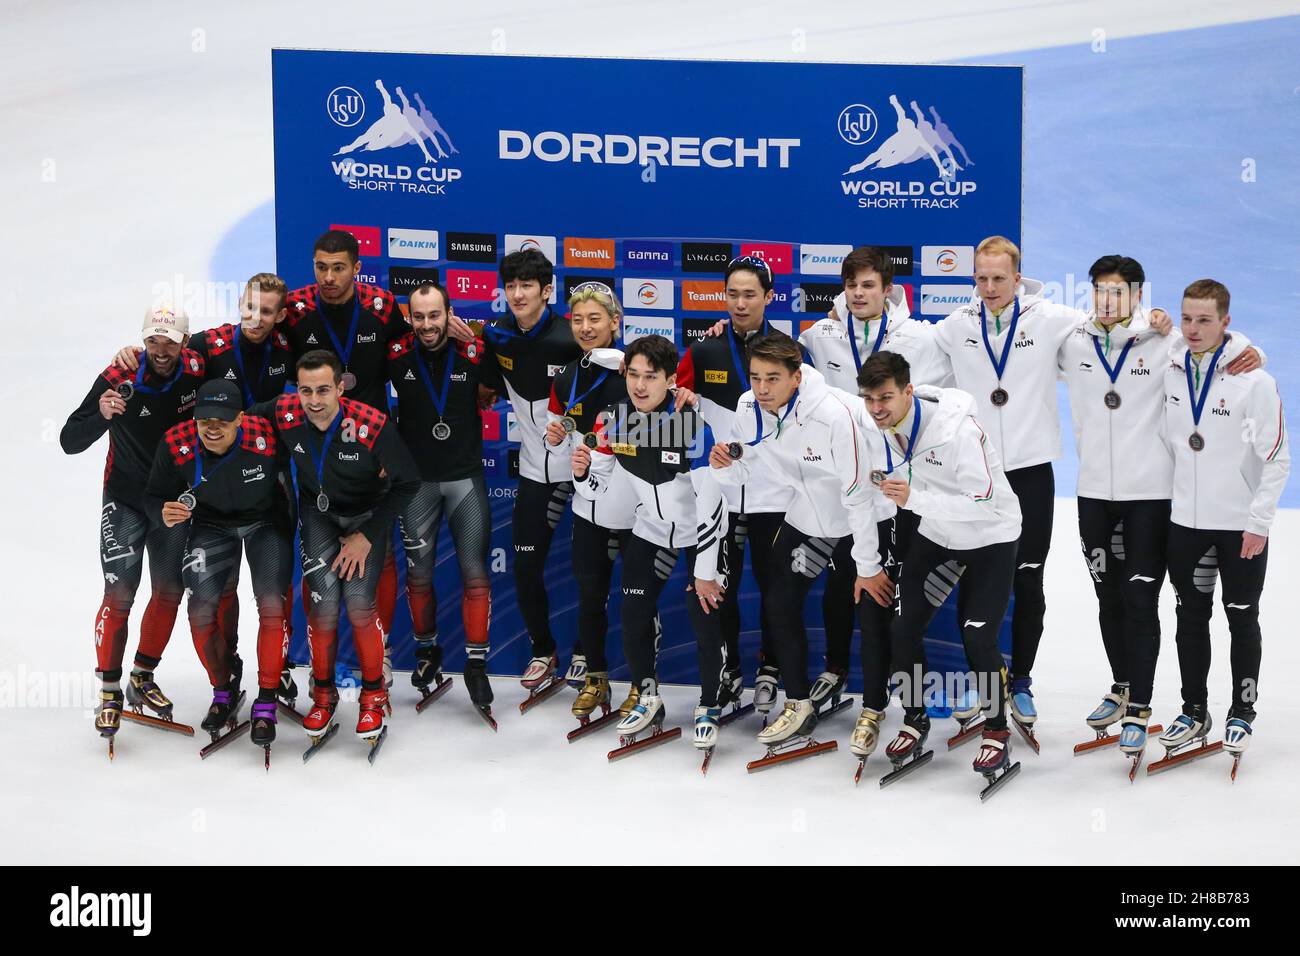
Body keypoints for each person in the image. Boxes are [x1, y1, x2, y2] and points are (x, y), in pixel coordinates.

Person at [1059, 256, 1263, 757]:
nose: (1108, 302)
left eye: (1118, 292)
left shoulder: (1167, 340)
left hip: (1150, 497)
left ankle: (1141, 709)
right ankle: (1122, 684)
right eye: (1099, 292)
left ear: (1136, 294)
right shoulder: (1071, 339)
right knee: (1107, 596)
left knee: (1141, 598)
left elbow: (1215, 347)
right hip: (1092, 496)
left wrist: (1248, 349)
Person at [112, 273, 299, 700]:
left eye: (267, 311)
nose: (256, 317)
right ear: (239, 304)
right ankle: (228, 662)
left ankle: (281, 665)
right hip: (215, 464)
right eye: (250, 307)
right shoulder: (210, 345)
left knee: (275, 585)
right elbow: (163, 355)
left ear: (280, 315)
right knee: (224, 584)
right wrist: (131, 354)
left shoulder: (288, 348)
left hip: (267, 465)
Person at [709, 334, 890, 753]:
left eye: (773, 379)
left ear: (796, 377)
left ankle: (875, 708)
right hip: (807, 516)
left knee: (870, 604)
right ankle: (798, 702)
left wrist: (867, 564)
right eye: (755, 377)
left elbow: (858, 495)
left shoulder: (835, 414)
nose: (762, 388)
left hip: (860, 515)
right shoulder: (748, 406)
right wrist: (723, 467)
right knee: (780, 602)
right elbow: (744, 471)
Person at [860, 351, 1024, 785]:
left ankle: (996, 727)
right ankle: (915, 717)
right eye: (870, 399)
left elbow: (982, 500)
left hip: (990, 534)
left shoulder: (957, 433)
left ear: (908, 391)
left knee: (978, 636)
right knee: (903, 627)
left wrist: (914, 499)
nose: (877, 409)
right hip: (938, 535)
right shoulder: (881, 425)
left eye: (886, 398)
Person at [248, 351, 420, 747]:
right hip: (319, 515)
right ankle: (323, 695)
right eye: (306, 390)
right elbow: (243, 420)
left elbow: (408, 483)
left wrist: (368, 535)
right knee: (322, 605)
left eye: (324, 390)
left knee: (360, 605)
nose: (314, 401)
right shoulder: (286, 410)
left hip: (365, 518)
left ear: (340, 388)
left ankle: (373, 694)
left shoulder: (371, 424)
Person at [571, 335, 730, 752]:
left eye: (652, 377)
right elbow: (595, 488)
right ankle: (648, 695)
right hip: (652, 529)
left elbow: (712, 503)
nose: (640, 386)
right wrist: (581, 473)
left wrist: (706, 572)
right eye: (634, 375)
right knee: (634, 610)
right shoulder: (613, 419)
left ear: (671, 379)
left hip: (701, 530)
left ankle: (709, 704)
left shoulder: (691, 420)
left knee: (704, 615)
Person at [61, 305, 207, 742]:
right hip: (124, 502)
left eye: (170, 342)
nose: (161, 351)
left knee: (168, 590)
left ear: (185, 342)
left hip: (170, 505)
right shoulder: (118, 375)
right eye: (152, 342)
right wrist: (101, 414)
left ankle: (142, 676)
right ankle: (109, 692)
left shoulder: (199, 368)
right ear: (142, 341)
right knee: (119, 593)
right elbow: (69, 440)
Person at [1157, 279, 1287, 767]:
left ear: (1226, 323)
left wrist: (1258, 522)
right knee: (1190, 617)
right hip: (1186, 523)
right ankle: (1194, 710)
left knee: (1241, 617)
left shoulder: (1254, 380)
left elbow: (1276, 459)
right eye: (1187, 318)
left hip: (1238, 526)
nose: (1192, 329)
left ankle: (1243, 709)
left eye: (1205, 320)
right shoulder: (1171, 364)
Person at [144, 380, 292, 748]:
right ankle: (223, 687)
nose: (212, 428)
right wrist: (161, 511)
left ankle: (268, 698)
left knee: (272, 606)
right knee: (199, 611)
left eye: (222, 421)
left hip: (266, 522)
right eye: (204, 419)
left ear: (241, 419)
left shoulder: (266, 437)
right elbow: (152, 494)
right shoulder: (176, 443)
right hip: (212, 526)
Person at [675, 255, 791, 715]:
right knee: (720, 584)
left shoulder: (787, 348)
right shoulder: (705, 350)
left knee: (773, 586)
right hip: (722, 492)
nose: (740, 303)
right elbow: (673, 403)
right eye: (732, 294)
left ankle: (771, 668)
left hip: (772, 493)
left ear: (768, 296)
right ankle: (730, 671)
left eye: (750, 294)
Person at [477, 248, 585, 694]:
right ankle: (544, 651)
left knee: (589, 569)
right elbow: (484, 389)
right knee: (525, 566)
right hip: (535, 473)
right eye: (512, 286)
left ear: (547, 290)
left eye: (528, 286)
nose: (518, 294)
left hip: (585, 472)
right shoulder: (497, 335)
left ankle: (587, 656)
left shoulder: (571, 337)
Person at [386, 283, 494, 716]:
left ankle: (476, 663)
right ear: (409, 318)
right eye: (419, 317)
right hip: (418, 485)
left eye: (435, 316)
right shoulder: (395, 354)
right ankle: (426, 651)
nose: (428, 325)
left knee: (474, 570)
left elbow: (508, 377)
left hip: (464, 480)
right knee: (419, 574)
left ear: (449, 314)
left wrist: (480, 340)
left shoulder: (473, 350)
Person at [544, 282, 648, 724]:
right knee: (591, 594)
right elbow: (557, 443)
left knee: (638, 600)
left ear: (615, 322)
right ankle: (597, 678)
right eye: (578, 320)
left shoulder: (635, 370)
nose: (586, 328)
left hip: (637, 508)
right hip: (587, 506)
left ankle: (645, 685)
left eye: (596, 319)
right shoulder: (566, 377)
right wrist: (554, 440)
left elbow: (661, 431)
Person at [802, 245, 951, 392]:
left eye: (868, 285)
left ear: (888, 289)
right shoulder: (820, 335)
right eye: (852, 285)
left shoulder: (918, 336)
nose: (858, 293)